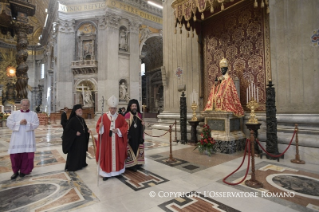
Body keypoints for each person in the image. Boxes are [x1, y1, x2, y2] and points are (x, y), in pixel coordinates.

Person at [95, 95, 128, 181]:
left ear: (116, 108)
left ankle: (117, 172)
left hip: (117, 141)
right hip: (106, 142)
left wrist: (118, 130)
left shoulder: (120, 117)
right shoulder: (103, 117)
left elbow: (125, 127)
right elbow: (98, 129)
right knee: (106, 156)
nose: (112, 110)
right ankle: (106, 174)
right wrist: (101, 126)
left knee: (118, 155)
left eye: (114, 108)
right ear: (109, 108)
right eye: (111, 108)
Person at [6, 99, 39, 179]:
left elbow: (36, 124)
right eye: (24, 105)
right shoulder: (14, 114)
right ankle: (15, 171)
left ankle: (24, 171)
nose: (25, 106)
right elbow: (9, 123)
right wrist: (19, 123)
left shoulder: (33, 114)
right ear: (20, 105)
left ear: (29, 105)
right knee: (15, 155)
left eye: (27, 105)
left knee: (26, 156)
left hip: (28, 137)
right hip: (17, 138)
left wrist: (27, 123)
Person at [62, 104, 91, 171]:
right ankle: (73, 166)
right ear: (75, 111)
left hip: (82, 140)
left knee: (82, 152)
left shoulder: (82, 119)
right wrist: (75, 133)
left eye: (81, 110)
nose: (80, 111)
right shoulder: (72, 120)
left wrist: (87, 130)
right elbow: (67, 130)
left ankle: (81, 164)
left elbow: (84, 127)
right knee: (75, 153)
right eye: (79, 110)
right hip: (75, 141)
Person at [124, 99, 145, 171]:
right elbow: (125, 127)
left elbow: (141, 127)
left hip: (138, 136)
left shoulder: (139, 115)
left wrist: (143, 125)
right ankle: (131, 165)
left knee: (138, 149)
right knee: (131, 150)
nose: (134, 107)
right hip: (131, 137)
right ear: (130, 107)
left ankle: (138, 163)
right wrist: (127, 136)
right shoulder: (127, 115)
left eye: (135, 106)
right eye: (133, 106)